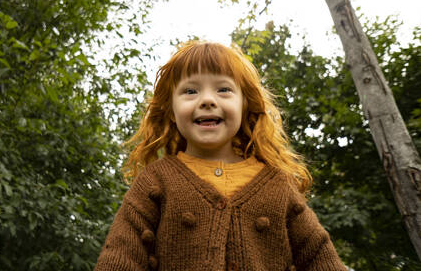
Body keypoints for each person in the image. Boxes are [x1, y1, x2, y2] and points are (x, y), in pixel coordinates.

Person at [94, 42, 347, 271]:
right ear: (171, 111)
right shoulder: (156, 180)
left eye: (223, 90)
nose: (206, 100)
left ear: (244, 105)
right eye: (190, 91)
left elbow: (319, 257)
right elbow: (120, 256)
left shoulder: (278, 184)